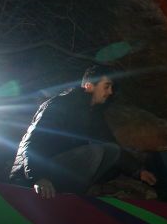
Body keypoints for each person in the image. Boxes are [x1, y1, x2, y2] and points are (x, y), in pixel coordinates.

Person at [9, 65, 157, 199]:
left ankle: (73, 194)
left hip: (59, 169)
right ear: (89, 86)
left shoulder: (93, 115)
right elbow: (34, 141)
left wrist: (138, 171)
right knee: (94, 152)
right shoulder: (60, 104)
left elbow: (109, 143)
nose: (110, 92)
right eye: (106, 86)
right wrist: (38, 177)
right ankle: (68, 195)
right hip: (33, 175)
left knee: (112, 150)